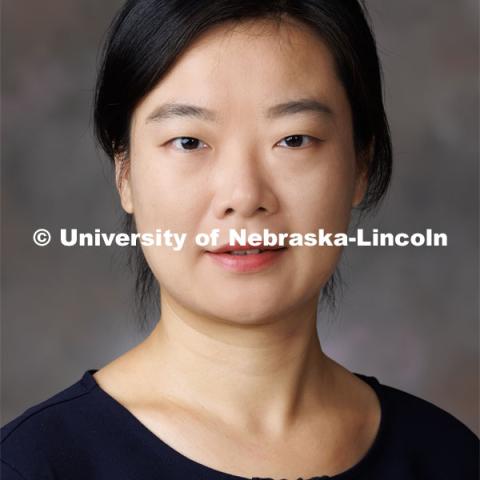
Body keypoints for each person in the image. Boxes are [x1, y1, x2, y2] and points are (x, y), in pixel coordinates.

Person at [1, 1, 478, 479]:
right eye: (189, 142)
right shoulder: (32, 464)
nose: (244, 196)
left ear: (361, 163)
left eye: (293, 139)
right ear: (124, 173)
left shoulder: (449, 458)